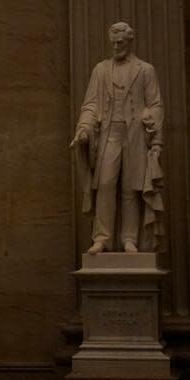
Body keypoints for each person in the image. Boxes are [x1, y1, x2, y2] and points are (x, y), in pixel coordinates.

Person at [70, 22, 164, 255]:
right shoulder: (101, 70)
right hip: (109, 132)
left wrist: (153, 127)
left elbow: (156, 104)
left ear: (130, 41)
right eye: (112, 43)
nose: (116, 47)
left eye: (120, 43)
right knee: (105, 183)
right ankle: (102, 237)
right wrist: (83, 128)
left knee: (131, 188)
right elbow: (91, 104)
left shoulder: (145, 70)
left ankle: (129, 238)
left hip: (135, 134)